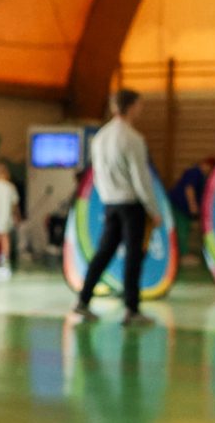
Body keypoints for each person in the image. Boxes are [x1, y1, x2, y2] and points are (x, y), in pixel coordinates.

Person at [69, 88, 167, 328]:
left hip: (110, 203)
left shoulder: (100, 137)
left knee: (103, 253)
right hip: (131, 205)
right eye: (139, 105)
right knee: (134, 256)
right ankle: (132, 309)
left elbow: (97, 175)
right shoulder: (133, 139)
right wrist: (153, 210)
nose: (141, 110)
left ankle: (83, 300)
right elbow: (141, 179)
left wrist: (108, 197)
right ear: (131, 106)